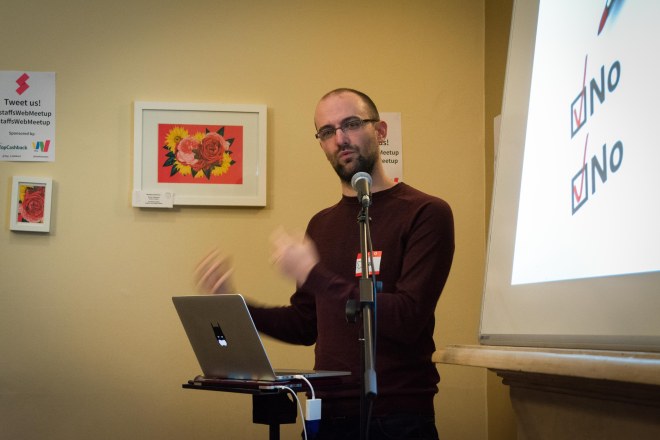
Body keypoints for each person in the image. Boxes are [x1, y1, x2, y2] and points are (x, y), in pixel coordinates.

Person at [196, 88, 454, 439]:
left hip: (397, 418)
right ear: (321, 143)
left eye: (352, 124)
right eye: (327, 131)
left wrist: (314, 274)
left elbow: (407, 317)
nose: (341, 139)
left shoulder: (426, 213)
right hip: (325, 413)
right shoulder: (321, 224)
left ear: (380, 131)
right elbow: (305, 325)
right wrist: (236, 308)